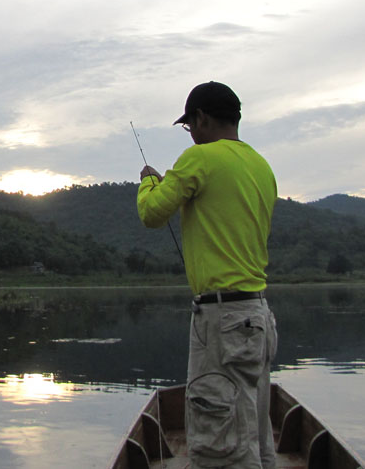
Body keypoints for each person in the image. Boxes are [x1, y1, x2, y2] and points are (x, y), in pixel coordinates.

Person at [136, 81, 278, 469]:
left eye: (189, 126)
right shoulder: (261, 166)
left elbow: (151, 214)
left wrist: (150, 182)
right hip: (258, 316)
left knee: (221, 446)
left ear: (201, 118)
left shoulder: (198, 159)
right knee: (257, 434)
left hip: (221, 321)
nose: (191, 135)